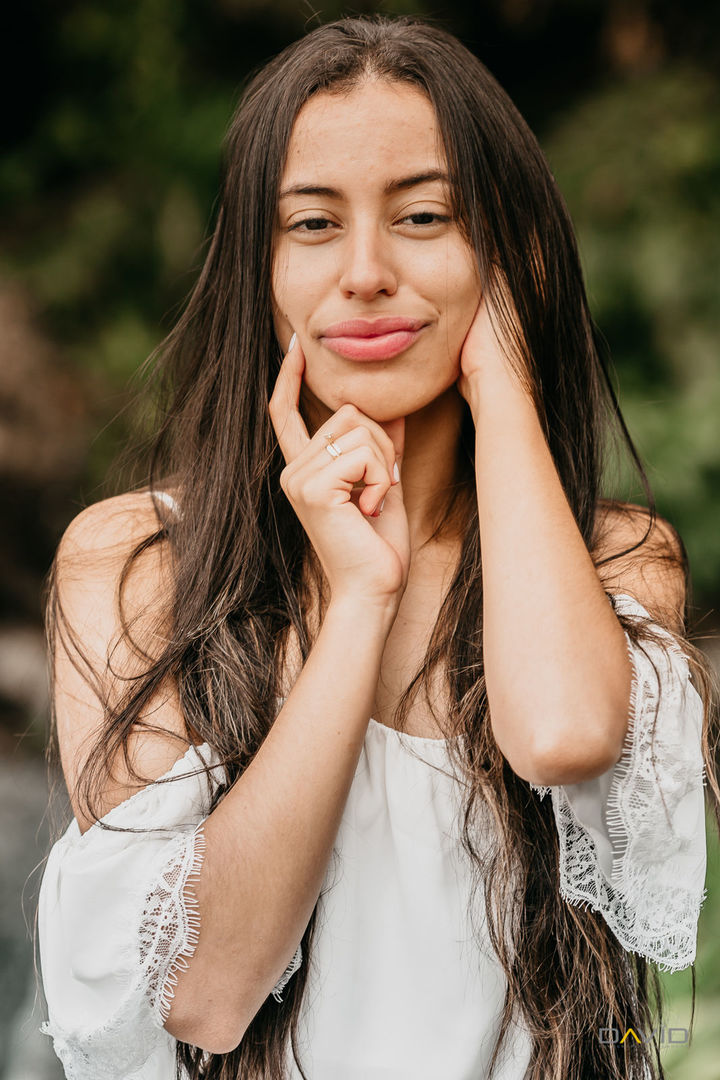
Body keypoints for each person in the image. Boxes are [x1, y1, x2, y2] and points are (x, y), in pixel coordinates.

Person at [37, 13, 718, 1080]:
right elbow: (205, 993)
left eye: (426, 216)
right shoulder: (136, 566)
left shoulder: (615, 562)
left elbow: (563, 736)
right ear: (257, 271)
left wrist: (503, 376)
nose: (364, 272)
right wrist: (357, 600)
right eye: (311, 224)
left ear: (510, 257)